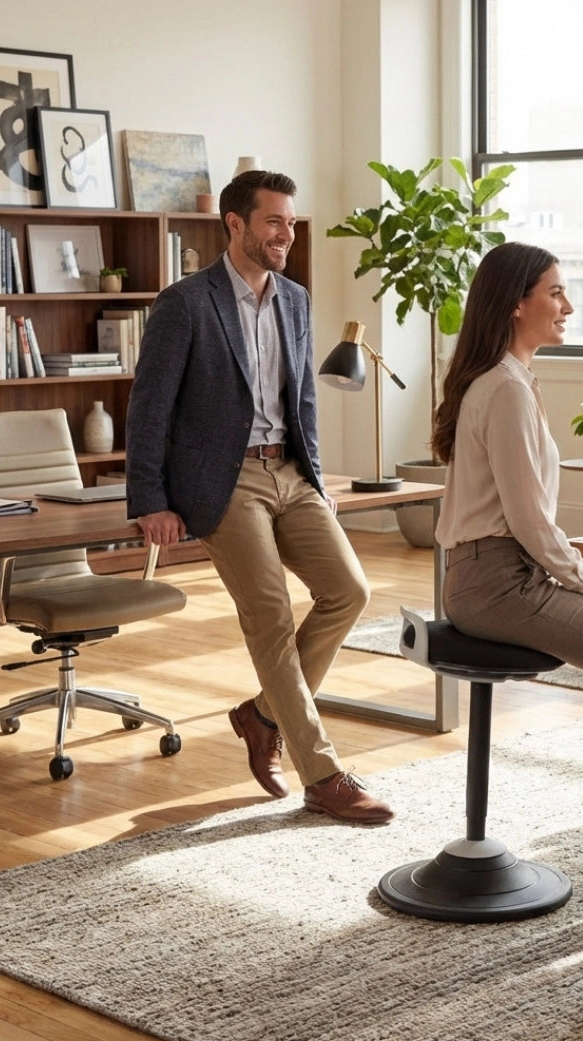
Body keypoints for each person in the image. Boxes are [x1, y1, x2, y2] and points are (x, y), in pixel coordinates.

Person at [125, 169, 393, 824]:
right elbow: (148, 408)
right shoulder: (185, 303)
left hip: (291, 473)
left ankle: (261, 715)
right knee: (270, 615)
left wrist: (320, 479)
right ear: (235, 224)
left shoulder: (296, 300)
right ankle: (323, 774)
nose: (287, 233)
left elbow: (301, 399)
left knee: (350, 591)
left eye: (291, 222)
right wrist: (149, 499)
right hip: (224, 479)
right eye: (274, 221)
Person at [432, 241, 583, 867]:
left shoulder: (511, 381)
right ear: (515, 304)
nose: (569, 305)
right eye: (555, 292)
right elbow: (530, 523)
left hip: (504, 575)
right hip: (498, 584)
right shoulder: (503, 389)